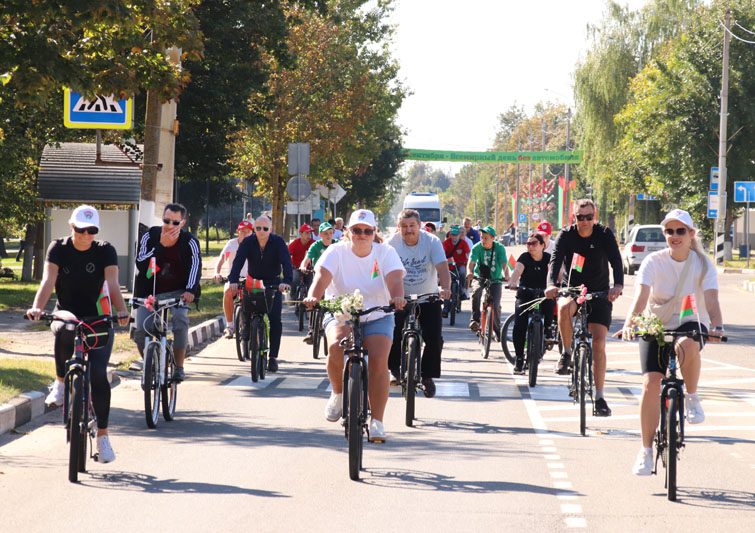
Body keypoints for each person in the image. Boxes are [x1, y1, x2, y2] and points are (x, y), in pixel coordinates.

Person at [616, 209, 723, 476]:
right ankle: (645, 451)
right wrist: (630, 324)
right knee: (651, 383)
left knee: (686, 345)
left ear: (691, 234)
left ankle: (692, 397)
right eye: (669, 231)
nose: (675, 236)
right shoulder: (653, 261)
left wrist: (718, 326)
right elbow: (641, 296)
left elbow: (711, 299)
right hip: (656, 323)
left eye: (680, 231)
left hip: (691, 319)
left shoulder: (703, 264)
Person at [27, 205, 129, 463]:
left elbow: (113, 283)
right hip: (67, 312)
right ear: (71, 227)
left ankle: (103, 437)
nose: (86, 235)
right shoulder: (58, 248)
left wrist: (122, 311)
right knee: (64, 327)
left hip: (98, 317)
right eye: (81, 229)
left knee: (98, 376)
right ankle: (60, 383)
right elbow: (48, 280)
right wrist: (38, 307)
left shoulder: (105, 250)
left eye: (91, 230)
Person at [303, 209, 406, 442]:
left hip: (378, 313)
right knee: (336, 347)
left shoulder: (386, 252)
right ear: (348, 232)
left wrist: (397, 297)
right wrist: (313, 296)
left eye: (367, 231)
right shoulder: (335, 251)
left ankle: (377, 421)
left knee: (379, 360)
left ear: (374, 233)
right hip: (342, 312)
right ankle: (338, 393)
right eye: (357, 230)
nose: (362, 235)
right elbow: (321, 277)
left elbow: (395, 279)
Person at [545, 199, 623, 417]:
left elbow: (616, 261)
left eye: (589, 217)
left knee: (598, 342)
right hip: (573, 290)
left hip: (599, 292)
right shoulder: (566, 235)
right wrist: (551, 284)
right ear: (574, 217)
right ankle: (567, 353)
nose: (585, 221)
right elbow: (555, 261)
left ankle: (599, 397)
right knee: (563, 308)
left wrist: (617, 285)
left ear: (594, 216)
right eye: (581, 217)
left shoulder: (604, 234)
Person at [134, 203, 201, 382]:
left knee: (180, 320)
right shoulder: (149, 235)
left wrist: (190, 290)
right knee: (140, 330)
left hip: (178, 292)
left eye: (175, 222)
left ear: (183, 223)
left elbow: (195, 267)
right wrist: (161, 246)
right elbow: (140, 263)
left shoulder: (190, 241)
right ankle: (150, 365)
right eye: (166, 221)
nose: (170, 226)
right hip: (150, 292)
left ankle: (179, 366)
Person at [387, 209, 451, 398]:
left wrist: (445, 288)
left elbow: (442, 267)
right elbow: (382, 270)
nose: (408, 230)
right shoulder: (391, 243)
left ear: (419, 225)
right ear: (398, 227)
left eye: (412, 226)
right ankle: (393, 369)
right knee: (392, 333)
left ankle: (427, 375)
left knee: (434, 338)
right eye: (404, 226)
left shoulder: (431, 241)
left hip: (427, 296)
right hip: (399, 297)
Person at [228, 215, 292, 373]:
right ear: (254, 229)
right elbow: (238, 261)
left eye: (265, 228)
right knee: (247, 308)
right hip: (253, 282)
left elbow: (286, 263)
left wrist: (286, 281)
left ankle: (273, 357)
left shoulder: (278, 242)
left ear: (270, 229)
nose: (261, 231)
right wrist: (233, 280)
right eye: (258, 228)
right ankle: (246, 330)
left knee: (275, 319)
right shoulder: (248, 242)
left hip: (274, 283)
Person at [506, 233, 554, 374]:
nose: (530, 246)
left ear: (542, 245)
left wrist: (558, 283)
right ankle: (519, 359)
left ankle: (548, 330)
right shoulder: (524, 257)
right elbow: (517, 270)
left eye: (533, 243)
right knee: (519, 326)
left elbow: (556, 272)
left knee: (551, 302)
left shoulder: (548, 258)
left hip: (544, 294)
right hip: (525, 294)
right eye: (528, 244)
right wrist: (513, 282)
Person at [467, 225, 510, 335]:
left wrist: (506, 275)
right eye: (481, 237)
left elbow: (504, 263)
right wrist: (470, 272)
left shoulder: (499, 248)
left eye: (486, 238)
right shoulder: (477, 247)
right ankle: (475, 320)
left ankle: (497, 330)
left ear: (493, 238)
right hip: (480, 276)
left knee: (496, 305)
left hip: (495, 278)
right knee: (476, 292)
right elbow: (471, 262)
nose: (483, 240)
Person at [214, 220, 254, 338]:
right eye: (242, 231)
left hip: (251, 279)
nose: (244, 234)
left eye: (247, 232)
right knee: (227, 292)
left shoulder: (256, 244)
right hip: (234, 279)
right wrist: (217, 273)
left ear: (252, 233)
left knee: (259, 297)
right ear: (238, 231)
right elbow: (222, 259)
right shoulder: (231, 244)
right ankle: (230, 326)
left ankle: (257, 323)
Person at [300, 222, 339, 343]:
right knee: (313, 300)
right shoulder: (316, 246)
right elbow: (307, 259)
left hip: (334, 278)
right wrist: (303, 266)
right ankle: (312, 331)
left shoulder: (337, 244)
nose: (329, 235)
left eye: (331, 233)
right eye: (326, 233)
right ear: (320, 235)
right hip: (319, 275)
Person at [442, 224, 471, 311]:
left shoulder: (463, 243)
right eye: (453, 235)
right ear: (450, 235)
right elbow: (441, 254)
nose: (454, 237)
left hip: (461, 264)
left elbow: (469, 254)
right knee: (446, 281)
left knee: (462, 272)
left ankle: (462, 291)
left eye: (456, 235)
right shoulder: (445, 243)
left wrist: (470, 261)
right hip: (449, 266)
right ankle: (446, 305)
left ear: (459, 235)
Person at [288, 223, 314, 295]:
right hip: (296, 267)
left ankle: (311, 297)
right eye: (306, 233)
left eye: (310, 233)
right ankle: (292, 296)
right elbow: (287, 255)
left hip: (309, 268)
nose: (309, 235)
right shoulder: (295, 243)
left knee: (311, 282)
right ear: (301, 234)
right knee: (294, 279)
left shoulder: (313, 243)